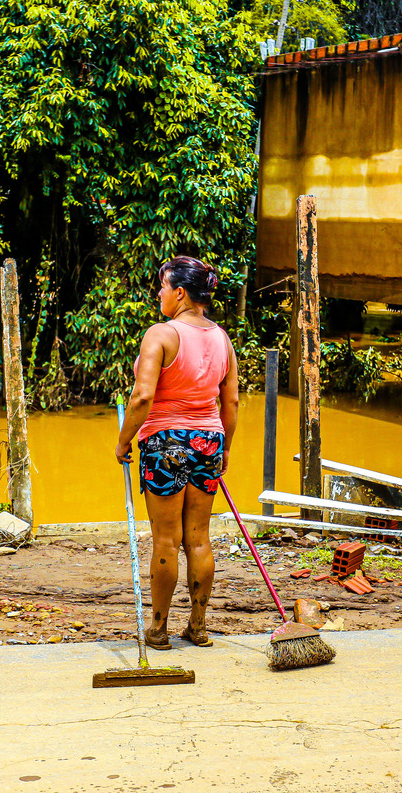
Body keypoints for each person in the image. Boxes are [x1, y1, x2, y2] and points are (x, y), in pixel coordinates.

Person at [114, 256, 239, 649]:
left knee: (166, 540)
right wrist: (225, 448)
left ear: (180, 293)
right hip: (209, 442)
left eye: (163, 287)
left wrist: (123, 441)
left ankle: (158, 629)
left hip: (165, 443)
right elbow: (231, 402)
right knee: (199, 539)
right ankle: (198, 627)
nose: (159, 294)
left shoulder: (161, 334)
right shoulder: (222, 339)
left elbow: (142, 396)